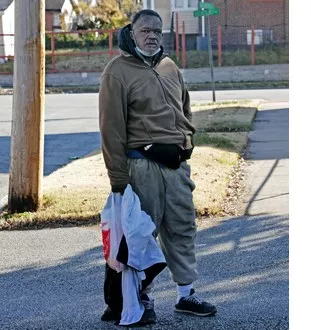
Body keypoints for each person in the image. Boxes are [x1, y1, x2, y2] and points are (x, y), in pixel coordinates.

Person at [98, 9, 218, 323]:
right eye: (145, 31)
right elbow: (111, 128)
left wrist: (187, 143)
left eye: (157, 31)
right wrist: (118, 178)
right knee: (140, 237)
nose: (152, 36)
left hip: (176, 168)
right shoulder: (117, 72)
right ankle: (139, 298)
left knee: (182, 228)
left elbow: (185, 108)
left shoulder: (169, 67)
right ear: (132, 33)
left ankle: (185, 295)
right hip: (142, 167)